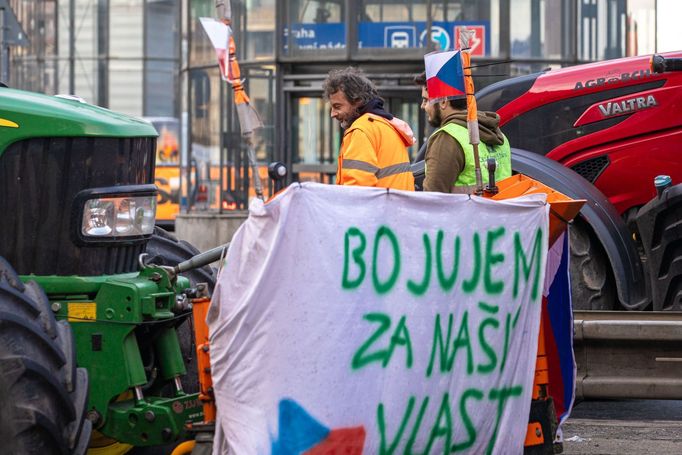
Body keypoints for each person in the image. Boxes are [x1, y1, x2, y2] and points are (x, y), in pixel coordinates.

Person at [414, 71, 511, 194]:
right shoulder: (498, 134)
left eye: (426, 100)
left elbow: (433, 201)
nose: (423, 106)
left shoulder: (447, 138)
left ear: (443, 101)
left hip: (463, 214)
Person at [323, 67, 415, 191]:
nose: (332, 114)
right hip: (397, 208)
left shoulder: (361, 131)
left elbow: (357, 191)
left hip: (380, 209)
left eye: (337, 106)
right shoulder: (385, 125)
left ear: (357, 101)